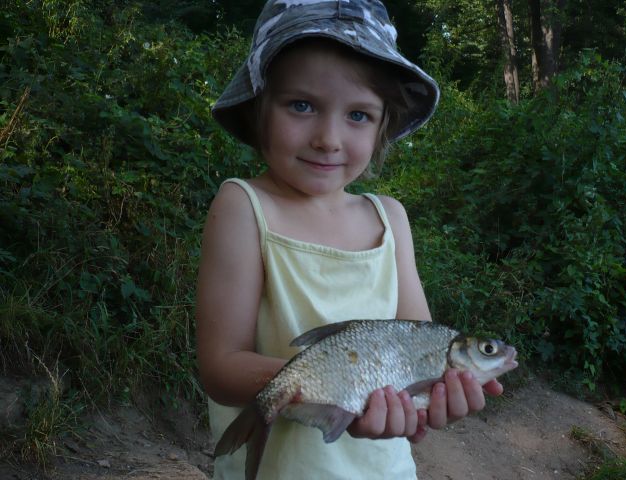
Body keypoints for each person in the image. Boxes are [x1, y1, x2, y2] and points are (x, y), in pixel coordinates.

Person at [196, 1, 503, 478]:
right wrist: (331, 384)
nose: (328, 138)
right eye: (302, 105)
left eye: (358, 115)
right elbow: (220, 367)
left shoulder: (391, 219)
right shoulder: (243, 206)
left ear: (385, 125)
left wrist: (433, 401)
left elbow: (417, 344)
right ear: (260, 108)